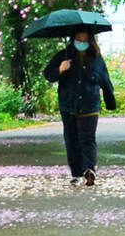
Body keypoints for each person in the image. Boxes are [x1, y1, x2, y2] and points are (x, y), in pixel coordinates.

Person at [49, 26, 116, 185]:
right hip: (68, 104)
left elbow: (105, 80)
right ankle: (76, 172)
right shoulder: (63, 56)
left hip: (90, 103)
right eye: (78, 34)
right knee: (71, 139)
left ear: (89, 37)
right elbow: (49, 75)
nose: (81, 37)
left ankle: (89, 169)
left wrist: (110, 100)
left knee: (88, 139)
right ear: (73, 37)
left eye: (84, 34)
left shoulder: (96, 58)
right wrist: (60, 68)